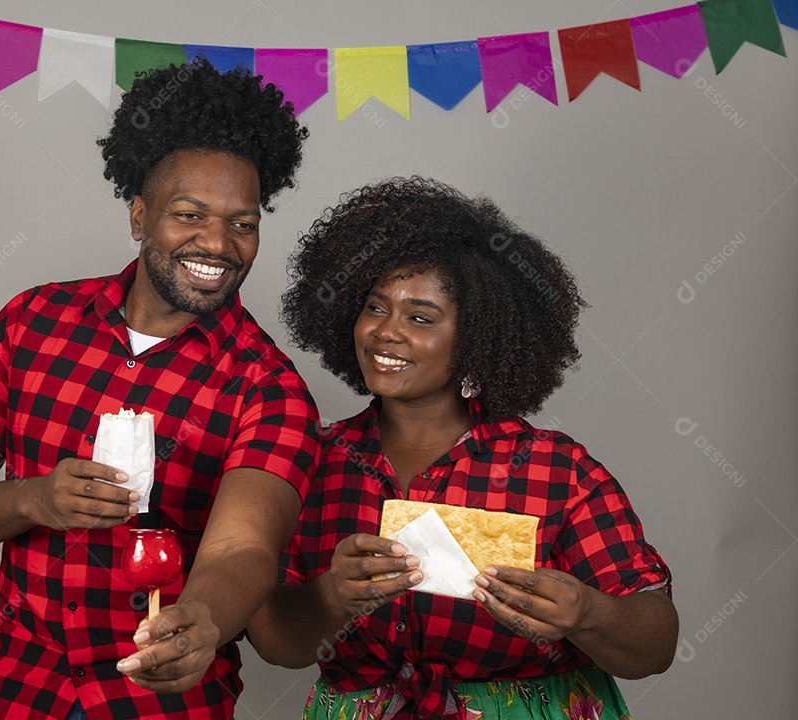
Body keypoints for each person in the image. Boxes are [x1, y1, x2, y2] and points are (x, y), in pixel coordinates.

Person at [0, 59, 320, 720]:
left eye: (243, 224)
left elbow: (245, 549)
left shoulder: (270, 391)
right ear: (139, 217)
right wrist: (34, 498)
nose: (217, 243)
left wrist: (203, 622)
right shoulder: (30, 325)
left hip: (162, 706)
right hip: (17, 697)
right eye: (189, 214)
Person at [247, 177, 678, 719]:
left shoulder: (556, 470)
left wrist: (588, 613)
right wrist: (335, 594)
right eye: (375, 307)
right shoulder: (312, 463)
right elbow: (273, 643)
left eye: (420, 318)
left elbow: (656, 643)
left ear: (479, 338)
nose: (385, 333)